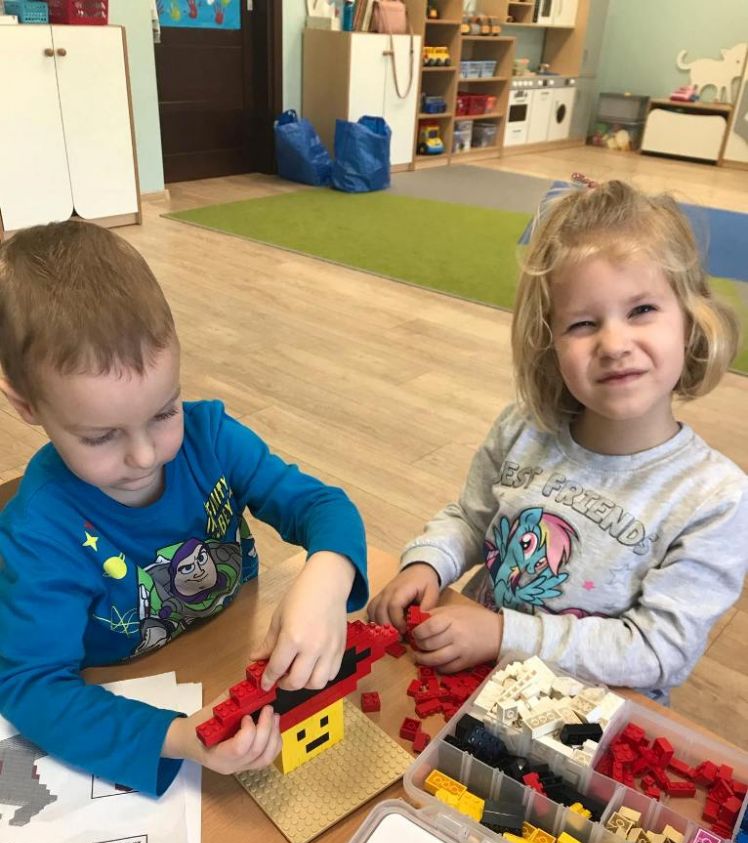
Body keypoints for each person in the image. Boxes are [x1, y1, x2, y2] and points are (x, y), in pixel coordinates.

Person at [0, 220, 367, 795]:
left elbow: (323, 506)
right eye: (101, 437)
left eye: (164, 411)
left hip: (232, 642)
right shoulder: (38, 533)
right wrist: (176, 737)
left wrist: (327, 578)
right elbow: (32, 687)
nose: (145, 455)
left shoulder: (211, 437)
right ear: (26, 405)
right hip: (130, 685)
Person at [369, 180, 748, 703]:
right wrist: (429, 561)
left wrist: (503, 634)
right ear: (549, 343)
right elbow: (472, 519)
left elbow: (659, 651)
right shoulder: (523, 428)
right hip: (471, 676)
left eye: (641, 310)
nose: (614, 344)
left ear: (691, 321)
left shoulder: (716, 499)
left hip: (587, 711)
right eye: (583, 323)